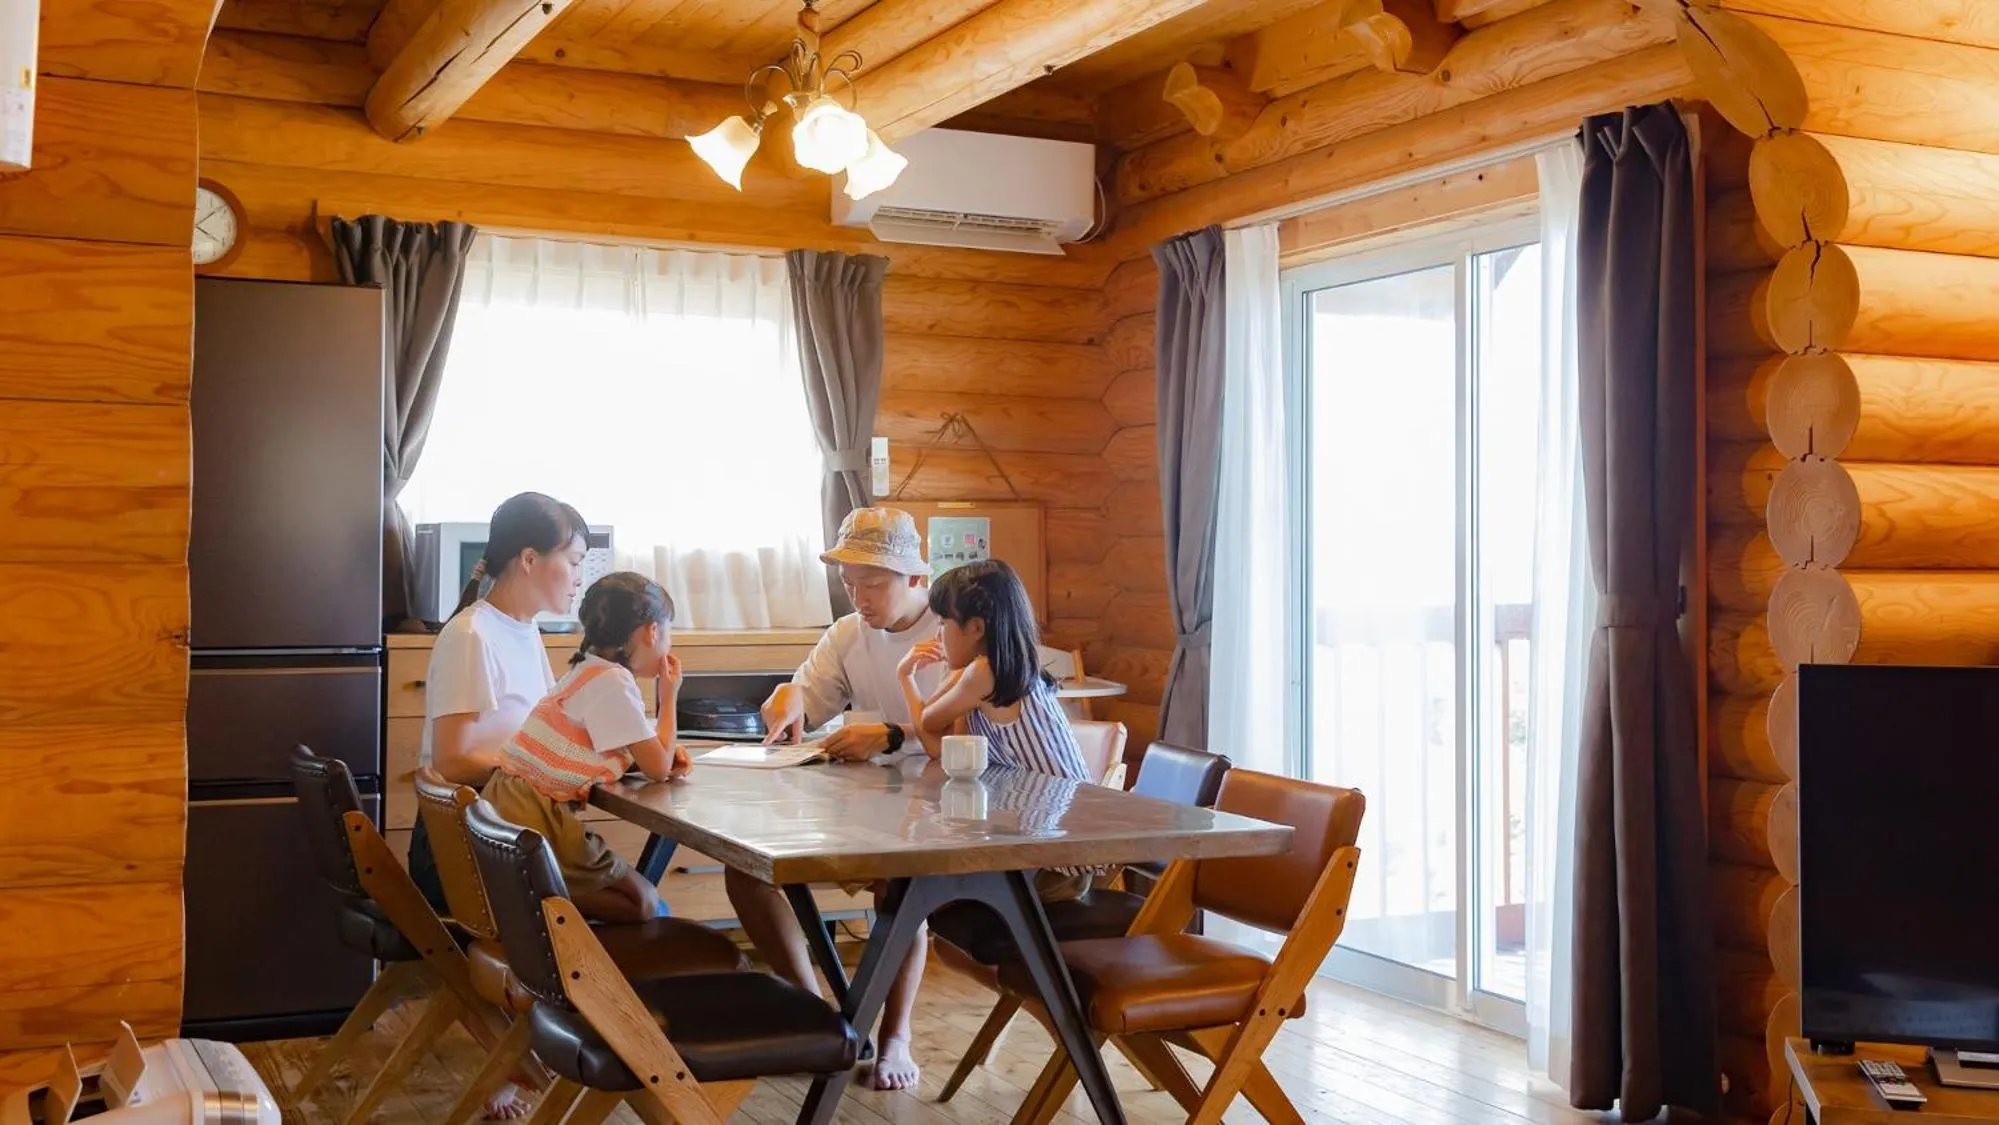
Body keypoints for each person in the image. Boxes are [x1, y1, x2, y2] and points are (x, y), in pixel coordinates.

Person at [729, 506, 944, 1092]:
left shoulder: (956, 631)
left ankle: (896, 1036)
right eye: (849, 585)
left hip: (940, 811)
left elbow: (979, 739)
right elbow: (807, 696)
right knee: (748, 869)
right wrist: (788, 698)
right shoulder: (848, 633)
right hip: (859, 804)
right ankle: (815, 1014)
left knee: (897, 889)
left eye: (872, 584)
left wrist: (894, 736)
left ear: (915, 579)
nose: (859, 598)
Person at [413, 490, 586, 1119]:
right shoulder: (470, 636)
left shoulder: (525, 631)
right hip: (463, 851)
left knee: (616, 899)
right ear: (531, 559)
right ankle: (586, 1047)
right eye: (574, 559)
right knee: (618, 906)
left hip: (504, 837)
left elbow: (534, 735)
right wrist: (543, 770)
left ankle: (551, 1050)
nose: (578, 576)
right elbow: (456, 759)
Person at [483, 572, 691, 923]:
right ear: (652, 631)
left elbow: (602, 744)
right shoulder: (613, 681)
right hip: (534, 813)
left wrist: (657, 752)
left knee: (645, 901)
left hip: (508, 801)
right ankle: (539, 899)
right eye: (668, 633)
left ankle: (538, 897)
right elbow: (657, 768)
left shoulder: (588, 670)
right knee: (644, 902)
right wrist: (668, 696)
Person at [900, 558, 1096, 900]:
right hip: (1041, 847)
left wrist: (906, 677)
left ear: (976, 628)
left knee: (929, 891)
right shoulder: (988, 672)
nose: (938, 634)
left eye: (944, 623)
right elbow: (944, 750)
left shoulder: (985, 674)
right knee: (929, 890)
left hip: (1057, 863)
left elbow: (928, 722)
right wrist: (947, 678)